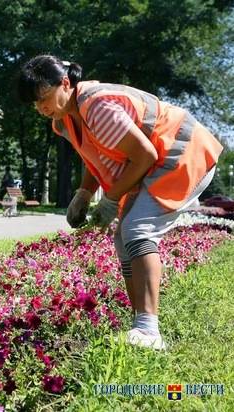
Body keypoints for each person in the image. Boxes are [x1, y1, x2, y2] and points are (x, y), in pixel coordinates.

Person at [16, 55, 223, 350]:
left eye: (45, 98)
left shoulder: (97, 107)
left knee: (138, 229)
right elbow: (95, 154)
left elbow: (145, 155)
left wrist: (111, 199)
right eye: (35, 104)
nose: (41, 108)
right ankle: (140, 326)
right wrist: (84, 193)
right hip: (154, 160)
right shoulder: (63, 120)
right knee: (123, 239)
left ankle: (149, 331)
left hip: (181, 151)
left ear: (65, 83)